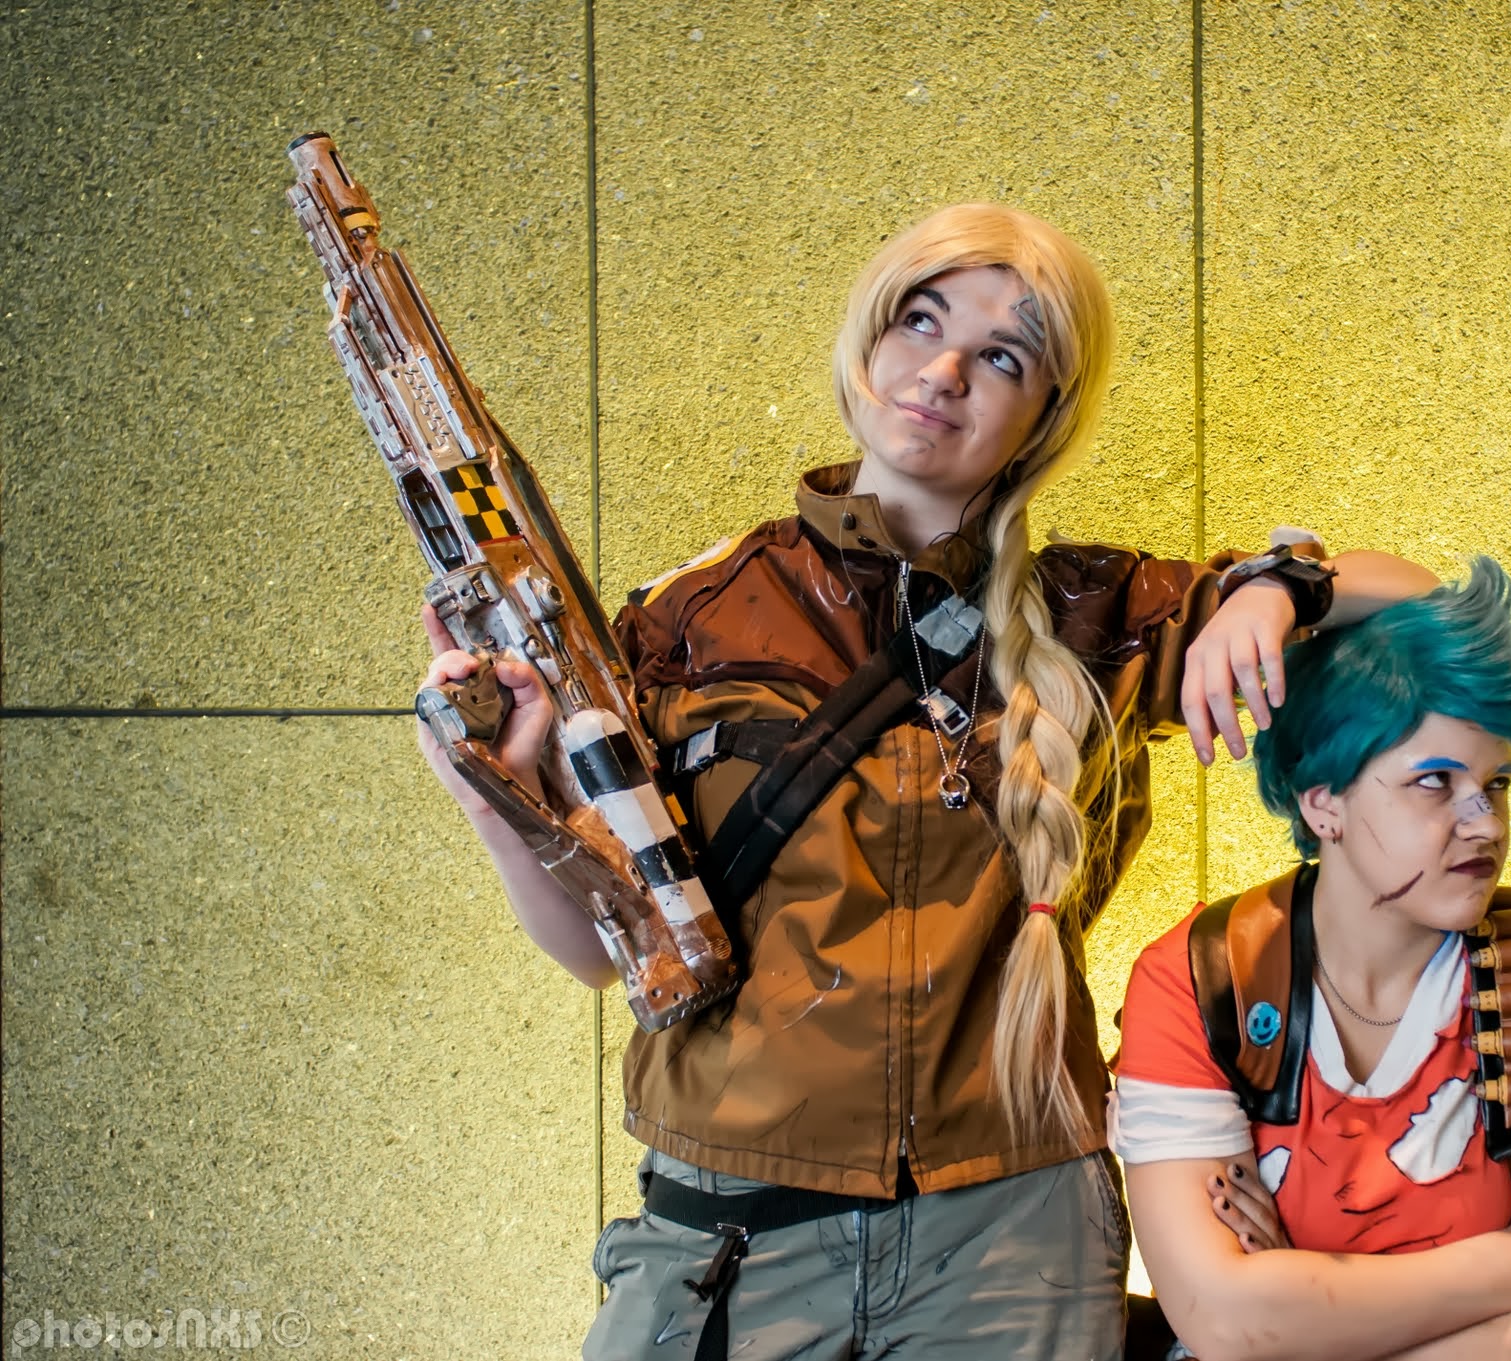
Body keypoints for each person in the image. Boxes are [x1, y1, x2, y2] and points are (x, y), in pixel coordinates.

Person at [417, 202, 1440, 1360]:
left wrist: (1279, 587)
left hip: (1009, 1238)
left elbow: (1418, 593)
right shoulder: (684, 621)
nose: (943, 371)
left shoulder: (1091, 613)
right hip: (731, 1239)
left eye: (1002, 357)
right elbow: (602, 954)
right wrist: (493, 793)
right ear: (867, 336)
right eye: (920, 320)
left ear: (1041, 416)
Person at [1112, 557, 1511, 1361]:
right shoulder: (1205, 979)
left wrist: (1308, 1315)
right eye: (1435, 783)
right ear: (1323, 800)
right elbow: (1227, 1320)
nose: (1485, 822)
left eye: (1498, 782)